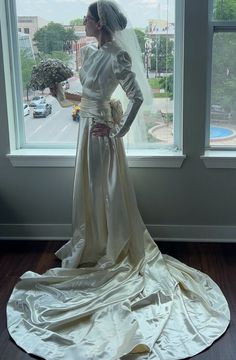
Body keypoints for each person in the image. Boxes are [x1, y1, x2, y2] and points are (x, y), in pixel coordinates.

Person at [7, 1, 230, 359]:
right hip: (86, 134)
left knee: (106, 193)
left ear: (100, 22)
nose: (83, 21)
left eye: (87, 17)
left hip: (101, 138)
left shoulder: (118, 57)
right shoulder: (91, 54)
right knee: (90, 193)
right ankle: (93, 242)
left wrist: (117, 129)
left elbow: (138, 96)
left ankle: (110, 249)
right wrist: (60, 95)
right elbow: (90, 97)